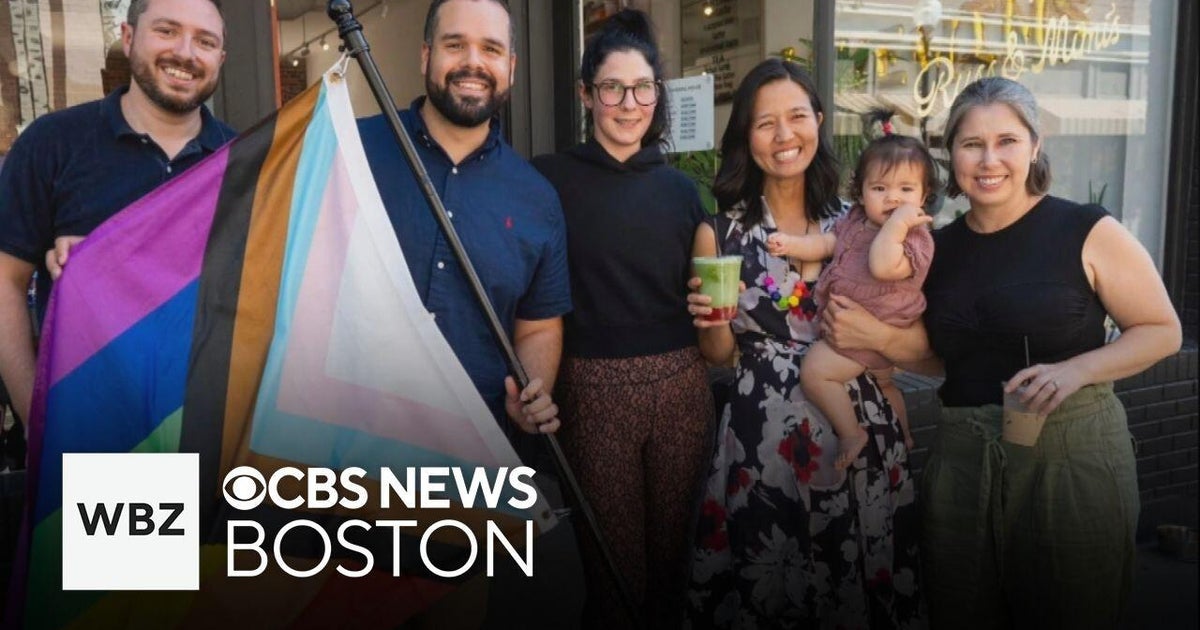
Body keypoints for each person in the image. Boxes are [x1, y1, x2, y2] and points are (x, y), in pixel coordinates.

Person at [823, 76, 1182, 628]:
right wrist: (879, 340)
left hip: (1072, 460)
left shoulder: (1084, 228)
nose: (989, 160)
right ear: (951, 157)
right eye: (971, 144)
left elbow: (1161, 330)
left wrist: (1077, 370)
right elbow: (944, 358)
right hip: (964, 462)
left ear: (1034, 146)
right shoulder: (933, 249)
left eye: (1007, 141)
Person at [357, 0, 583, 625]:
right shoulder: (352, 152)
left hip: (473, 464)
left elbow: (538, 323)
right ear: (426, 55)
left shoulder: (535, 197)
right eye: (455, 45)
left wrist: (533, 384)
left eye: (490, 49)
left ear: (510, 65)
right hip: (347, 452)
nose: (472, 63)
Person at [684, 58, 923, 628]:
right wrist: (708, 320)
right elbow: (718, 357)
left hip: (856, 436)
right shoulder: (721, 232)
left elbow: (922, 339)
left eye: (797, 116)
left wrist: (882, 342)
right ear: (747, 136)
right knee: (770, 593)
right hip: (761, 445)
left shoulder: (863, 222)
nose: (784, 135)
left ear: (819, 119)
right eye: (765, 123)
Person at [530, 10, 714, 628]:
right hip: (592, 388)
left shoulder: (683, 192)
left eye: (642, 88)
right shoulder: (548, 181)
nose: (628, 103)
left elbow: (707, 298)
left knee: (675, 560)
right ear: (587, 95)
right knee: (612, 567)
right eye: (612, 88)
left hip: (682, 384)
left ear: (656, 95)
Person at [0, 0, 234, 428]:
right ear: (128, 39)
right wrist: (36, 418)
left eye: (205, 41)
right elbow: (4, 280)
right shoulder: (52, 142)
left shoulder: (246, 163)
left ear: (219, 58)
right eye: (166, 31)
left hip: (217, 431)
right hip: (95, 429)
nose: (185, 52)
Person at [766, 133, 937, 467]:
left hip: (874, 328)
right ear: (860, 193)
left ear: (924, 197)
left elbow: (883, 265)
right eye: (879, 189)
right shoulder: (855, 220)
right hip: (860, 326)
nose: (892, 199)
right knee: (886, 384)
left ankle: (850, 433)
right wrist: (791, 244)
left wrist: (899, 224)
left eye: (906, 190)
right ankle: (905, 432)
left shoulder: (917, 239)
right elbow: (828, 244)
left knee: (815, 373)